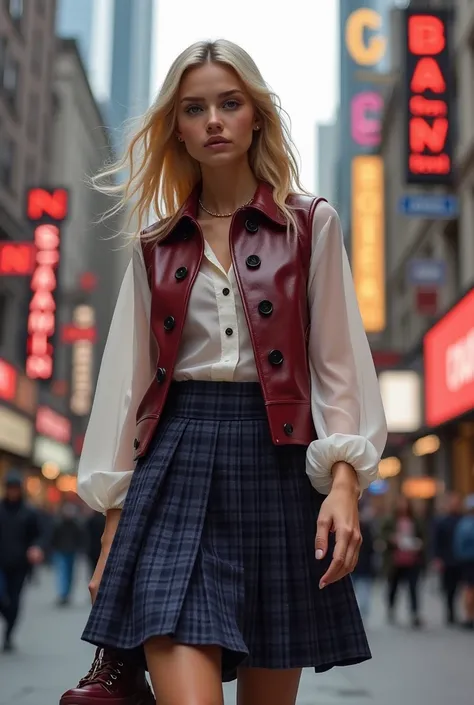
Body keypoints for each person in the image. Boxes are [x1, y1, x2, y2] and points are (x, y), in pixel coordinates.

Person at [60, 39, 387, 705]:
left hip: (278, 464)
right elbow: (128, 389)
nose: (213, 119)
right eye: (195, 107)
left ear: (255, 117)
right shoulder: (156, 242)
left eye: (229, 104)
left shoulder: (308, 223)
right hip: (175, 464)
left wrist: (345, 482)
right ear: (175, 126)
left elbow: (337, 366)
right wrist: (111, 529)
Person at [0, 471, 45, 651]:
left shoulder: (29, 512)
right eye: (10, 488)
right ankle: (7, 616)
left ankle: (9, 635)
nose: (12, 492)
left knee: (15, 601)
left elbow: (39, 535)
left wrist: (36, 547)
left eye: (15, 489)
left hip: (20, 564)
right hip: (1, 562)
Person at [382, 496, 425, 628]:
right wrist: (391, 539)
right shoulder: (390, 520)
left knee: (413, 588)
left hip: (412, 560)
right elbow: (382, 534)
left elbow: (423, 536)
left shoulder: (415, 520)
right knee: (393, 587)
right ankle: (391, 610)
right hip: (395, 560)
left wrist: (419, 544)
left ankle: (415, 613)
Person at [432, 491, 463, 625]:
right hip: (448, 559)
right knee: (449, 588)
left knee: (462, 588)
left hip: (462, 559)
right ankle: (450, 613)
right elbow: (436, 541)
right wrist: (437, 558)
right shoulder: (442, 522)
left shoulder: (463, 520)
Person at [50, 501, 84, 606]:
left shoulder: (76, 525)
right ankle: (63, 594)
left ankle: (66, 593)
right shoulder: (58, 524)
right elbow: (53, 537)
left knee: (70, 574)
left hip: (71, 551)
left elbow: (81, 538)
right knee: (62, 573)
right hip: (60, 551)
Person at [453, 494, 474, 630]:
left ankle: (469, 616)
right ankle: (469, 616)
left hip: (467, 561)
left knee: (468, 589)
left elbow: (458, 545)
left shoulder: (463, 523)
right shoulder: (466, 524)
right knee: (469, 590)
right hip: (469, 561)